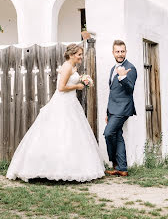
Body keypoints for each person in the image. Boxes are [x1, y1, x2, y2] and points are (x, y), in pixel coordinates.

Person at [6, 44, 104, 182]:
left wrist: (81, 78)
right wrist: (78, 86)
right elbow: (61, 87)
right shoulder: (67, 66)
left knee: (72, 134)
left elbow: (66, 76)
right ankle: (49, 169)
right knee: (60, 131)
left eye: (81, 54)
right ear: (71, 55)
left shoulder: (70, 67)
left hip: (71, 102)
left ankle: (70, 168)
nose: (81, 57)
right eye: (79, 54)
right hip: (63, 103)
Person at [104, 40, 137, 177]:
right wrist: (107, 112)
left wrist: (123, 76)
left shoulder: (131, 68)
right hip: (112, 109)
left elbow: (130, 89)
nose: (120, 54)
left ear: (126, 52)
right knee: (117, 136)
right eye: (117, 51)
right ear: (113, 53)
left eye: (122, 51)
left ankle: (115, 162)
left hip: (123, 108)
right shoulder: (113, 69)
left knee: (108, 133)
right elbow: (112, 92)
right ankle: (122, 168)